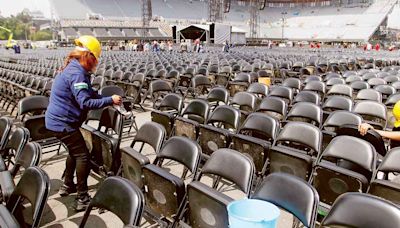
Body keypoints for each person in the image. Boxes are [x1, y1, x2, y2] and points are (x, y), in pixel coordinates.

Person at [45, 35, 122, 211]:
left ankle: (67, 184)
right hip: (63, 123)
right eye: (95, 58)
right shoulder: (77, 73)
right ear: (88, 56)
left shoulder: (74, 67)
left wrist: (104, 98)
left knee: (74, 151)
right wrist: (110, 100)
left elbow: (89, 93)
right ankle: (82, 197)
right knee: (83, 156)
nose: (96, 62)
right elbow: (85, 102)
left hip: (58, 121)